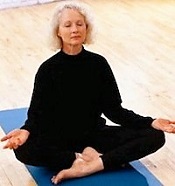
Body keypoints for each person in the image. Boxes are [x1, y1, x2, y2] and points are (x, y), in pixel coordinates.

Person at [1, 0, 175, 184]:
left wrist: (152, 122)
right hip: (58, 140)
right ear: (58, 32)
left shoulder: (99, 64)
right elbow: (37, 115)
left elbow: (115, 111)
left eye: (79, 24)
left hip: (94, 136)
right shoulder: (47, 69)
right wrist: (26, 130)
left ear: (87, 29)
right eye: (67, 25)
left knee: (155, 135)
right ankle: (77, 158)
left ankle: (91, 165)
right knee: (23, 149)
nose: (74, 29)